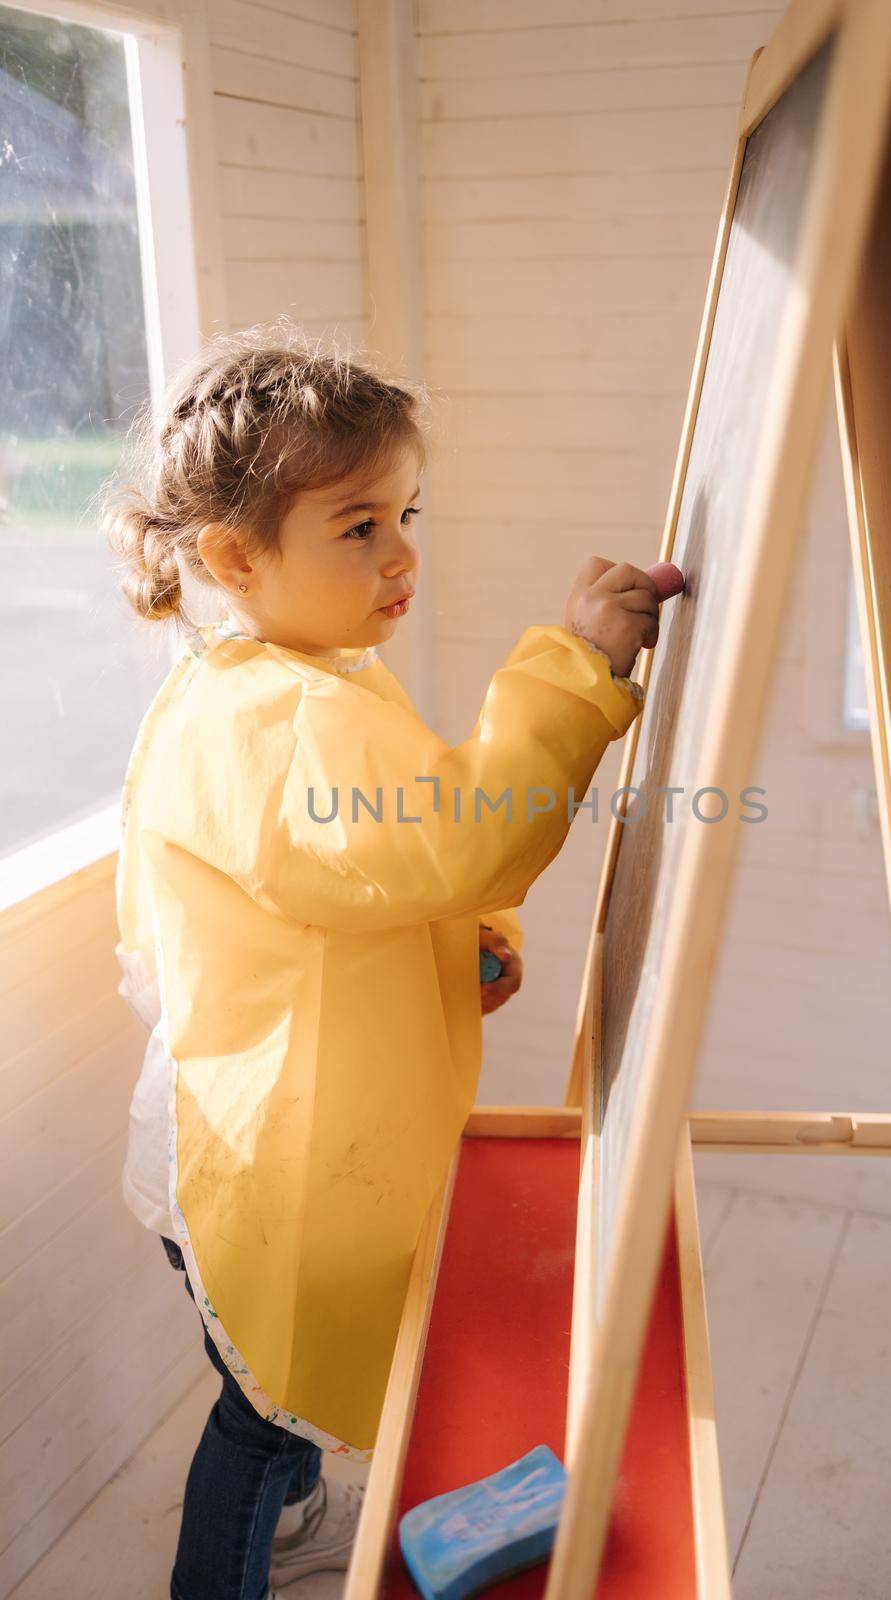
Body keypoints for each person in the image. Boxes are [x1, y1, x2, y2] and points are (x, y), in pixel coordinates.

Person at [103, 319, 669, 1600]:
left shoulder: (278, 680)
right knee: (262, 1421)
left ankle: (297, 1518)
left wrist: (465, 941)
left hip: (236, 1119)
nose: (403, 552)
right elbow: (455, 834)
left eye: (406, 512)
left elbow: (361, 872)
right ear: (236, 556)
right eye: (358, 527)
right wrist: (575, 670)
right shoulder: (279, 715)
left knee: (266, 1391)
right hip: (257, 1157)